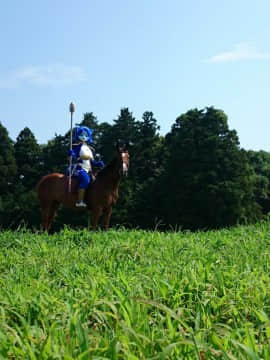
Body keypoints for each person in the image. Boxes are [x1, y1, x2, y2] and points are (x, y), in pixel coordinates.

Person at [68, 126, 104, 207]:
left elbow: (92, 161)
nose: (84, 137)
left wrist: (98, 163)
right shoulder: (76, 146)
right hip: (79, 168)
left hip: (89, 169)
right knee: (85, 180)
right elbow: (73, 156)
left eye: (86, 135)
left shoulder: (90, 148)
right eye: (82, 134)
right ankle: (80, 201)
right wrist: (71, 154)